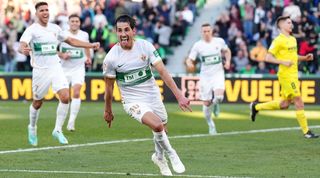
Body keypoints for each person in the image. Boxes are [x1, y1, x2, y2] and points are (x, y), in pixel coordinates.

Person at [103, 15, 191, 176]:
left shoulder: (145, 46)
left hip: (153, 96)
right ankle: (171, 153)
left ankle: (159, 157)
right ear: (116, 32)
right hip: (132, 101)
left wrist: (179, 96)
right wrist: (108, 110)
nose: (123, 33)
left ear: (133, 31)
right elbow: (108, 89)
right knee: (157, 125)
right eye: (119, 30)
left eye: (126, 30)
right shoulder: (111, 58)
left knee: (163, 128)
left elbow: (163, 72)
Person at [19, 2, 99, 146]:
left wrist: (90, 45)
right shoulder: (32, 30)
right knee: (37, 103)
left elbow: (71, 40)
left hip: (56, 67)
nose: (45, 12)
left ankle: (57, 129)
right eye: (42, 10)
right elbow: (22, 44)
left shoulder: (55, 28)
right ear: (36, 13)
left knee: (65, 96)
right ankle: (32, 127)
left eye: (46, 10)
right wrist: (22, 49)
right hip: (40, 71)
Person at [250, 16, 318, 139]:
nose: (291, 25)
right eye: (288, 23)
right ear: (281, 26)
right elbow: (268, 58)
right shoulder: (278, 41)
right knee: (299, 101)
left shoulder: (292, 39)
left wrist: (304, 58)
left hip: (293, 74)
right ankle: (306, 132)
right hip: (286, 76)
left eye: (291, 22)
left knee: (284, 104)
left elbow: (293, 56)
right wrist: (283, 62)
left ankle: (256, 107)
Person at [186, 23, 231, 135]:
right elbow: (189, 59)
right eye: (204, 31)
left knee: (219, 97)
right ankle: (211, 124)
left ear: (212, 31)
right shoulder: (198, 45)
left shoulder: (219, 41)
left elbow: (227, 51)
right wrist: (189, 64)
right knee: (206, 103)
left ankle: (216, 104)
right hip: (205, 77)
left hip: (218, 74)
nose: (206, 33)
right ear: (201, 33)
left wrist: (228, 61)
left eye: (208, 31)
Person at [58, 14, 91, 131]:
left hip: (78, 68)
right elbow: (53, 48)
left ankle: (71, 121)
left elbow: (86, 46)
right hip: (63, 69)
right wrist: (62, 55)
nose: (75, 23)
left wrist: (88, 57)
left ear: (79, 23)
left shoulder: (84, 35)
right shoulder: (62, 34)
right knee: (64, 97)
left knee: (76, 92)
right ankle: (59, 125)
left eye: (77, 21)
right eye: (72, 21)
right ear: (68, 23)